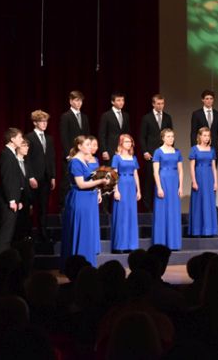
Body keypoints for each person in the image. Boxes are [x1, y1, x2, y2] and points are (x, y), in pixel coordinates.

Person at [61, 135, 108, 266]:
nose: (90, 147)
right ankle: (78, 265)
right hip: (80, 199)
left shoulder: (84, 161)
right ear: (79, 146)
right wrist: (101, 181)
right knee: (81, 231)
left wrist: (99, 188)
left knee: (87, 232)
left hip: (88, 199)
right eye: (87, 144)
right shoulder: (75, 162)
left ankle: (86, 263)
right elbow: (81, 184)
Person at [24, 110, 56, 242]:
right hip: (33, 178)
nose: (44, 124)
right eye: (42, 121)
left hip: (46, 178)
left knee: (43, 207)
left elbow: (51, 158)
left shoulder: (49, 138)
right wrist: (30, 176)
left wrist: (53, 176)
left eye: (46, 121)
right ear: (35, 122)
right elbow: (26, 159)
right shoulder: (29, 137)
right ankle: (28, 234)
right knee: (30, 206)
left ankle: (43, 234)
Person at [139, 94, 173, 212]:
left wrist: (171, 151)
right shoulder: (147, 118)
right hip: (152, 155)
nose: (160, 106)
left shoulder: (167, 117)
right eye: (158, 103)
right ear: (153, 104)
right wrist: (145, 151)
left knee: (163, 180)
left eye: (162, 103)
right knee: (150, 180)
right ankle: (148, 209)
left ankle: (163, 206)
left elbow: (170, 135)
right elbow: (142, 137)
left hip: (165, 154)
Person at [152, 129, 183, 249]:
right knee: (162, 212)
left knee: (173, 212)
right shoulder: (158, 152)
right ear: (163, 138)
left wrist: (180, 186)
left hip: (174, 182)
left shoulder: (177, 152)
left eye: (172, 136)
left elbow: (181, 171)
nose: (171, 138)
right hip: (163, 181)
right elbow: (155, 171)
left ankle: (173, 243)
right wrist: (159, 187)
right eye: (168, 136)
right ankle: (161, 243)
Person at [59, 91, 90, 208]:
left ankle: (79, 204)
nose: (79, 103)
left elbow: (87, 136)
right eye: (76, 100)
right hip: (70, 155)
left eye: (80, 100)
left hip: (82, 155)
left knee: (83, 178)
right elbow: (64, 136)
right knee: (67, 181)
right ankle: (64, 207)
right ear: (70, 101)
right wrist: (69, 154)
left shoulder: (84, 117)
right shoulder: (65, 116)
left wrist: (87, 153)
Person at [0, 129, 26, 254]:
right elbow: (7, 179)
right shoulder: (6, 155)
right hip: (8, 200)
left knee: (9, 234)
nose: (21, 140)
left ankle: (4, 262)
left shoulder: (11, 154)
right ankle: (0, 264)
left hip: (13, 199)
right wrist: (12, 200)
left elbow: (15, 179)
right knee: (5, 234)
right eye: (19, 137)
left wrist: (17, 199)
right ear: (12, 139)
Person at [110, 134, 140, 252]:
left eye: (130, 142)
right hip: (121, 185)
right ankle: (120, 245)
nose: (129, 144)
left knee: (131, 215)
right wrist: (116, 190)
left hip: (131, 186)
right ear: (121, 143)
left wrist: (138, 190)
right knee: (122, 215)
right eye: (127, 142)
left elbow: (136, 174)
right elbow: (114, 175)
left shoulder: (133, 158)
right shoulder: (116, 158)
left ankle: (131, 245)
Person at [189, 127, 218, 237]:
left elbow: (214, 167)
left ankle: (209, 230)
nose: (206, 138)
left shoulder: (212, 150)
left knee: (209, 203)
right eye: (204, 135)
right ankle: (197, 230)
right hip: (198, 177)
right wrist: (194, 181)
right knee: (198, 203)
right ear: (199, 136)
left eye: (208, 136)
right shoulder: (194, 149)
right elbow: (192, 167)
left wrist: (215, 182)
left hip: (209, 178)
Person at [189, 89, 218, 160]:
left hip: (214, 147)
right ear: (202, 100)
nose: (209, 101)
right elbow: (193, 132)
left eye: (211, 99)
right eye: (207, 98)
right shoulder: (196, 114)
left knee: (213, 169)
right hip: (200, 147)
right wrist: (194, 148)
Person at [98, 92, 130, 164]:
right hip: (110, 150)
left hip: (123, 149)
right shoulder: (106, 115)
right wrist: (104, 150)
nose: (121, 102)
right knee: (111, 172)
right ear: (112, 102)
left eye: (122, 100)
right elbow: (102, 134)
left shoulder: (126, 115)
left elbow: (127, 134)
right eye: (118, 100)